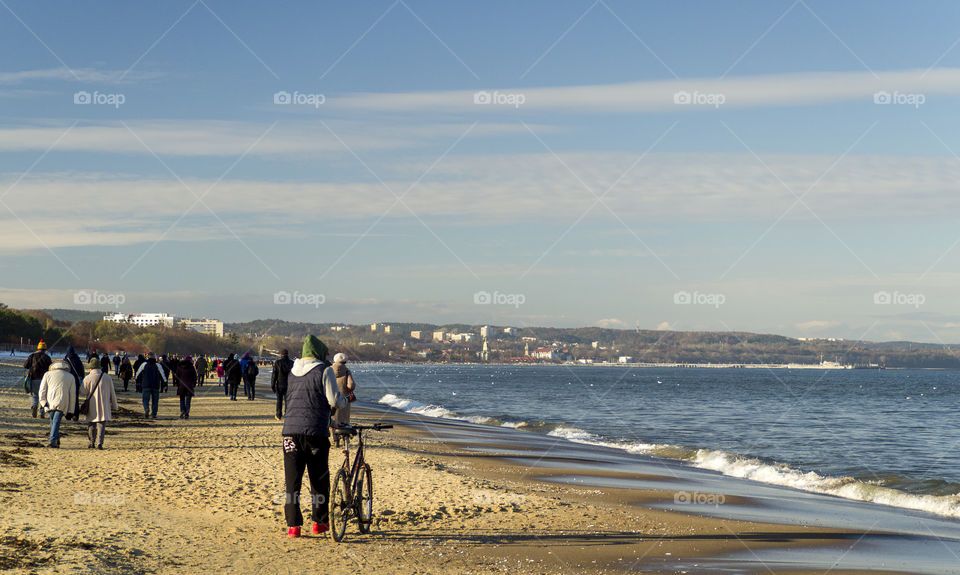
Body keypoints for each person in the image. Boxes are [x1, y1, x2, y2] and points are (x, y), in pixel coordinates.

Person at [281, 335, 346, 538]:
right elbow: (334, 399)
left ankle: (294, 526)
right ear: (319, 353)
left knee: (292, 481)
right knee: (318, 479)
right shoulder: (323, 371)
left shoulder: (292, 371)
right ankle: (319, 522)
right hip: (315, 433)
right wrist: (344, 400)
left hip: (290, 432)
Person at [38, 358, 77, 448]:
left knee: (54, 421)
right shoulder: (70, 376)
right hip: (63, 401)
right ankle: (55, 440)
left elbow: (42, 390)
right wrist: (71, 410)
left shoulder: (47, 374)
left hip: (49, 401)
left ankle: (52, 440)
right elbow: (72, 395)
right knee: (54, 422)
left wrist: (43, 403)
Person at [82, 357, 117, 449]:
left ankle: (91, 442)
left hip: (91, 405)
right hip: (104, 404)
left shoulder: (87, 378)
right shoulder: (107, 377)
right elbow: (112, 393)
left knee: (91, 424)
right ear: (100, 367)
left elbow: (83, 392)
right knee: (101, 424)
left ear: (91, 368)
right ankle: (99, 443)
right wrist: (114, 405)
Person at [330, 353, 358, 447]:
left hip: (331, 397)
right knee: (343, 420)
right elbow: (351, 385)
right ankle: (343, 440)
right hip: (343, 398)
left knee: (333, 419)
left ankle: (335, 440)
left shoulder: (329, 369)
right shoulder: (346, 371)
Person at [23, 340, 52, 418]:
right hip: (44, 379)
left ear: (38, 348)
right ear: (45, 349)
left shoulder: (32, 356)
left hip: (33, 378)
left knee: (34, 395)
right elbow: (51, 368)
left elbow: (25, 365)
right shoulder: (47, 357)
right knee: (44, 396)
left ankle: (34, 405)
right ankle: (41, 413)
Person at [135, 352, 166, 419]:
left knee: (145, 399)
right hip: (155, 385)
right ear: (154, 357)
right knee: (155, 401)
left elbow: (138, 374)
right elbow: (163, 375)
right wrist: (165, 384)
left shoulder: (144, 364)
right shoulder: (158, 365)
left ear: (148, 357)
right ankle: (154, 414)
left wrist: (137, 381)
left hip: (146, 385)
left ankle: (146, 408)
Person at [271, 349, 294, 421]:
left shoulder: (277, 363)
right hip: (289, 384)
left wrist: (273, 385)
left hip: (280, 384)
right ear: (287, 354)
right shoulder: (292, 363)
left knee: (279, 400)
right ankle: (287, 414)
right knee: (288, 401)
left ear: (281, 355)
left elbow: (274, 375)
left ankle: (278, 415)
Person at [63, 346, 85, 421]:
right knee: (75, 398)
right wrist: (82, 379)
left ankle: (68, 414)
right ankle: (76, 414)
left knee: (67, 398)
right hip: (76, 381)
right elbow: (82, 372)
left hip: (67, 382)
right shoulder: (78, 360)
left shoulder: (65, 360)